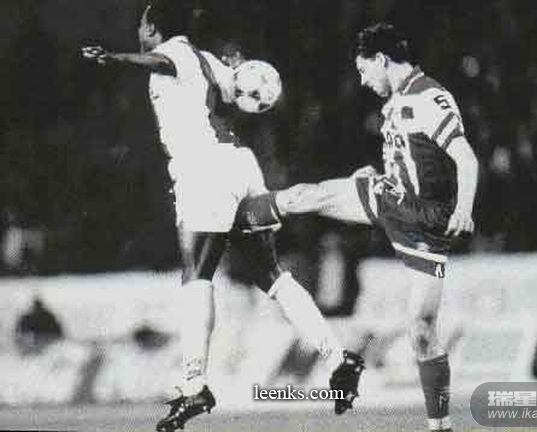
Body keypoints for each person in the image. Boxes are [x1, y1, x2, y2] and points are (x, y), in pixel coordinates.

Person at [81, 1, 364, 430]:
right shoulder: (208, 60)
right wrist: (242, 69)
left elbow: (161, 62)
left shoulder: (174, 53)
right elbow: (243, 91)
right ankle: (338, 359)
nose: (139, 29)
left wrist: (115, 58)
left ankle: (194, 385)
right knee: (271, 275)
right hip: (238, 164)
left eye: (142, 22)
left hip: (204, 170)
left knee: (196, 276)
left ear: (153, 27)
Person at [237, 22, 479, 432]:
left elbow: (466, 158)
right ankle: (239, 216)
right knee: (308, 195)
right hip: (389, 197)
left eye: (365, 70)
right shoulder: (396, 100)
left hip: (425, 222)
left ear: (382, 59)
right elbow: (413, 160)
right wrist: (378, 176)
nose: (363, 81)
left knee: (421, 328)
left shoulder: (428, 98)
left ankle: (440, 426)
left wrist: (464, 209)